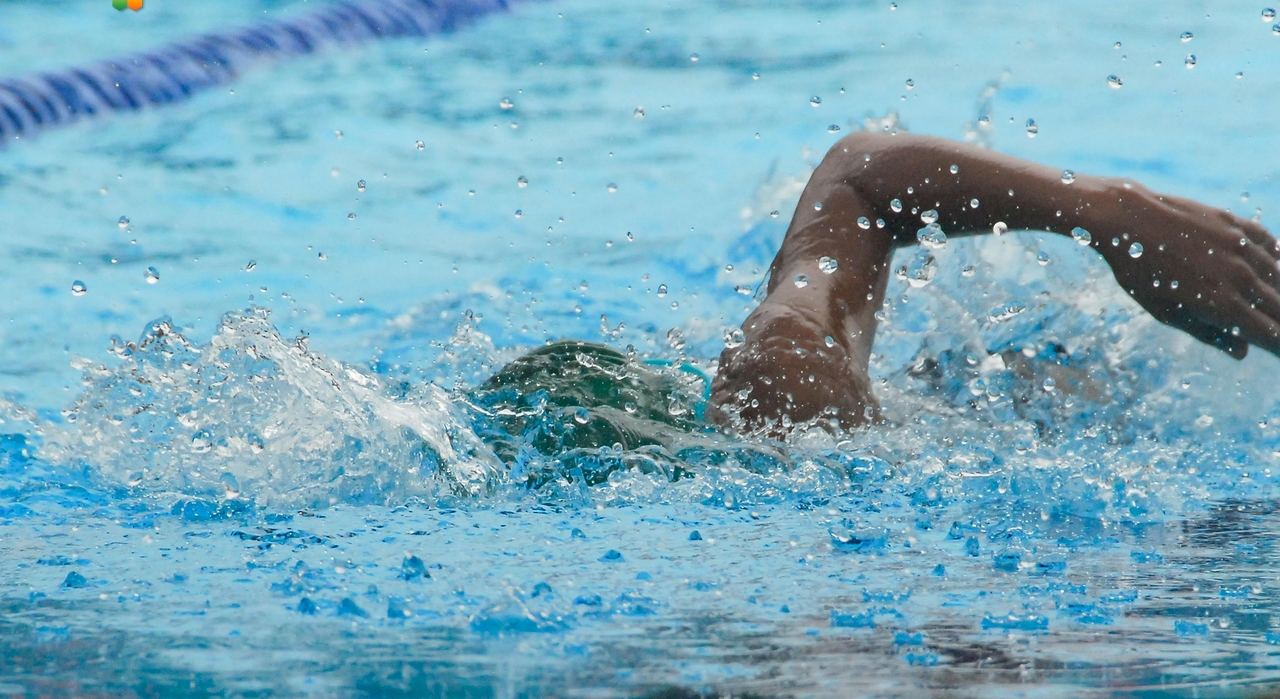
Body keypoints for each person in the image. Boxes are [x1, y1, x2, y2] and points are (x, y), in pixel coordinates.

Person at [478, 132, 1280, 448]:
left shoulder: (782, 396)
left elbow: (865, 179)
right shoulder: (786, 403)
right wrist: (1109, 211)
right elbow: (860, 181)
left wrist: (1116, 212)